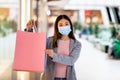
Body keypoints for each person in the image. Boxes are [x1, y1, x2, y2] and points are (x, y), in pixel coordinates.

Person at [25, 15, 82, 80]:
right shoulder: (50, 41)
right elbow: (37, 45)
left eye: (66, 24)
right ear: (57, 28)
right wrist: (29, 30)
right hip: (50, 77)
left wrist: (54, 55)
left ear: (70, 26)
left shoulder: (76, 44)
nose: (64, 26)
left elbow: (71, 60)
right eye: (60, 25)